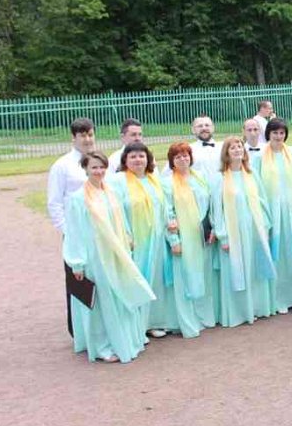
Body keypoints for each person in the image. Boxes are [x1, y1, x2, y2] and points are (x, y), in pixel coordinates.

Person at [63, 151, 155, 363]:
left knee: (121, 293)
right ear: (85, 169)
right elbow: (74, 232)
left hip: (118, 251)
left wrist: (128, 238)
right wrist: (77, 263)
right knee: (102, 299)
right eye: (94, 167)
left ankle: (126, 339)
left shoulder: (111, 192)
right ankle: (102, 345)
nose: (98, 171)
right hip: (95, 255)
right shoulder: (78, 198)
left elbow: (121, 219)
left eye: (102, 167)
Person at [107, 142, 177, 339]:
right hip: (135, 242)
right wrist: (125, 235)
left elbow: (165, 207)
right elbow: (116, 211)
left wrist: (171, 229)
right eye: (133, 156)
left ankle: (154, 322)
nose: (138, 160)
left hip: (157, 240)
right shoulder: (118, 181)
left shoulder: (154, 180)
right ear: (125, 160)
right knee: (137, 281)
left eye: (141, 156)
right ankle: (136, 327)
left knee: (156, 281)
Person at [210, 136, 276, 326]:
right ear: (226, 153)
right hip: (234, 232)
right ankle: (239, 312)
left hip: (254, 229)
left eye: (239, 146)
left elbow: (262, 201)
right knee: (236, 270)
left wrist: (266, 225)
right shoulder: (220, 178)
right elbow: (217, 209)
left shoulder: (251, 173)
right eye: (232, 148)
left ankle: (257, 307)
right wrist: (223, 236)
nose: (237, 149)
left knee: (255, 267)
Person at [253, 118, 292, 314]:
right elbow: (257, 186)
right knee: (277, 253)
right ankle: (278, 300)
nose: (278, 136)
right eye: (275, 132)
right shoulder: (259, 155)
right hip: (272, 212)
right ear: (268, 134)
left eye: (282, 133)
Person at [47, 117, 96, 335]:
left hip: (98, 230)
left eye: (90, 134)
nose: (87, 139)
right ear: (73, 138)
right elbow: (55, 202)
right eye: (82, 135)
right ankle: (78, 330)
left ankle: (97, 328)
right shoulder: (63, 166)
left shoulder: (98, 161)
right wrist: (68, 231)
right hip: (75, 231)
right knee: (78, 279)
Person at [162, 142, 216, 336]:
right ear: (172, 161)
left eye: (185, 155)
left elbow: (211, 204)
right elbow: (167, 213)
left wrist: (213, 227)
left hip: (202, 233)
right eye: (178, 157)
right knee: (185, 277)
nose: (183, 159)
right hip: (184, 236)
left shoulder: (200, 177)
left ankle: (204, 316)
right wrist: (174, 240)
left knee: (204, 275)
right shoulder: (167, 183)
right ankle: (188, 321)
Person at [189, 114, 222, 180]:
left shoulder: (224, 147)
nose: (204, 128)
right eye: (200, 126)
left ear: (213, 128)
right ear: (193, 130)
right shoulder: (188, 149)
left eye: (207, 125)